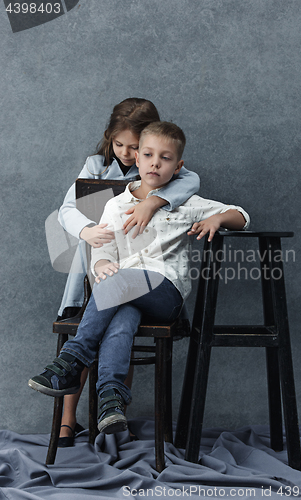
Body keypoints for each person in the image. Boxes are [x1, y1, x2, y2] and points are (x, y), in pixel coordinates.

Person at [29, 121, 249, 436]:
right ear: (138, 159)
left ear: (178, 166)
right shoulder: (116, 205)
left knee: (118, 284)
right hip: (124, 292)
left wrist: (217, 218)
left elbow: (241, 216)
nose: (156, 163)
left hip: (165, 295)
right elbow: (103, 251)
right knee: (122, 319)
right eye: (148, 154)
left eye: (166, 158)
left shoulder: (185, 203)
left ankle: (72, 359)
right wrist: (103, 264)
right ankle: (111, 399)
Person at [54, 98, 200, 445]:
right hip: (95, 260)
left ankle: (112, 411)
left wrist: (152, 200)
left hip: (138, 270)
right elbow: (67, 209)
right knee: (86, 325)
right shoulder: (96, 165)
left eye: (134, 147)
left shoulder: (158, 170)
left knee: (121, 331)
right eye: (119, 144)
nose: (125, 152)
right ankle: (68, 420)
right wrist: (86, 231)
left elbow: (189, 181)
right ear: (109, 139)